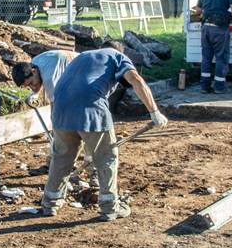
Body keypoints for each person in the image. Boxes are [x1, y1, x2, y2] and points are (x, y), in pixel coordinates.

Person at [41, 47, 168, 221]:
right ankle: (110, 207)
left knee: (62, 156)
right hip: (90, 106)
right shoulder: (118, 57)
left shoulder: (85, 56)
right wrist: (154, 111)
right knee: (106, 155)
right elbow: (136, 80)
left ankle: (50, 203)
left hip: (60, 107)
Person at [190, 0, 232, 94]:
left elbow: (198, 10)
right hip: (220, 28)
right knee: (221, 57)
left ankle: (204, 86)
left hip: (206, 27)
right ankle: (219, 87)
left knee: (206, 57)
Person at [10, 49, 78, 107]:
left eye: (31, 83)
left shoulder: (49, 78)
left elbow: (55, 107)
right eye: (28, 86)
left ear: (33, 71)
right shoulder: (34, 63)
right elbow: (37, 80)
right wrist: (34, 95)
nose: (32, 87)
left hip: (85, 68)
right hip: (77, 62)